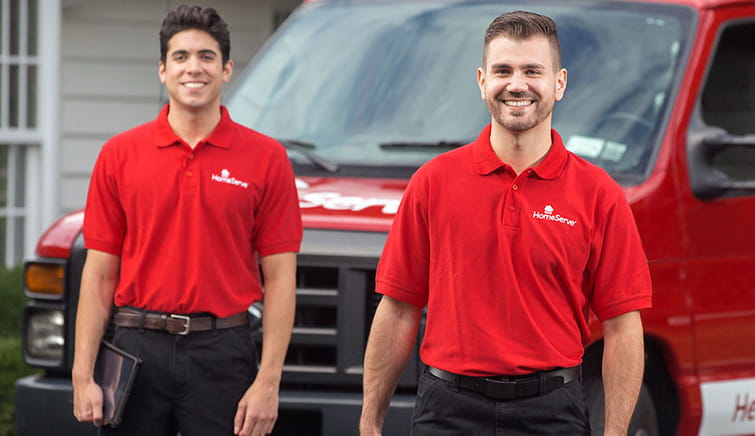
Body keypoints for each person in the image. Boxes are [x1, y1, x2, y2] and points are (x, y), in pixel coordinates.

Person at [360, 10, 652, 436]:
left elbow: (624, 326)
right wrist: (370, 422)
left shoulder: (599, 193)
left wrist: (616, 431)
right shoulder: (432, 182)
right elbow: (399, 307)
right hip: (447, 412)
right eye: (503, 70)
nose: (517, 84)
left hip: (553, 413)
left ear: (559, 82)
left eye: (532, 70)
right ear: (482, 82)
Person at [72, 5, 302, 436]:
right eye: (180, 57)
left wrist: (268, 381)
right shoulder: (119, 156)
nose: (193, 68)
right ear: (162, 70)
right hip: (134, 348)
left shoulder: (267, 159)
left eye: (206, 56)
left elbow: (281, 279)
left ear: (227, 69)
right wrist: (83, 374)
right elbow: (99, 273)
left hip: (224, 351)